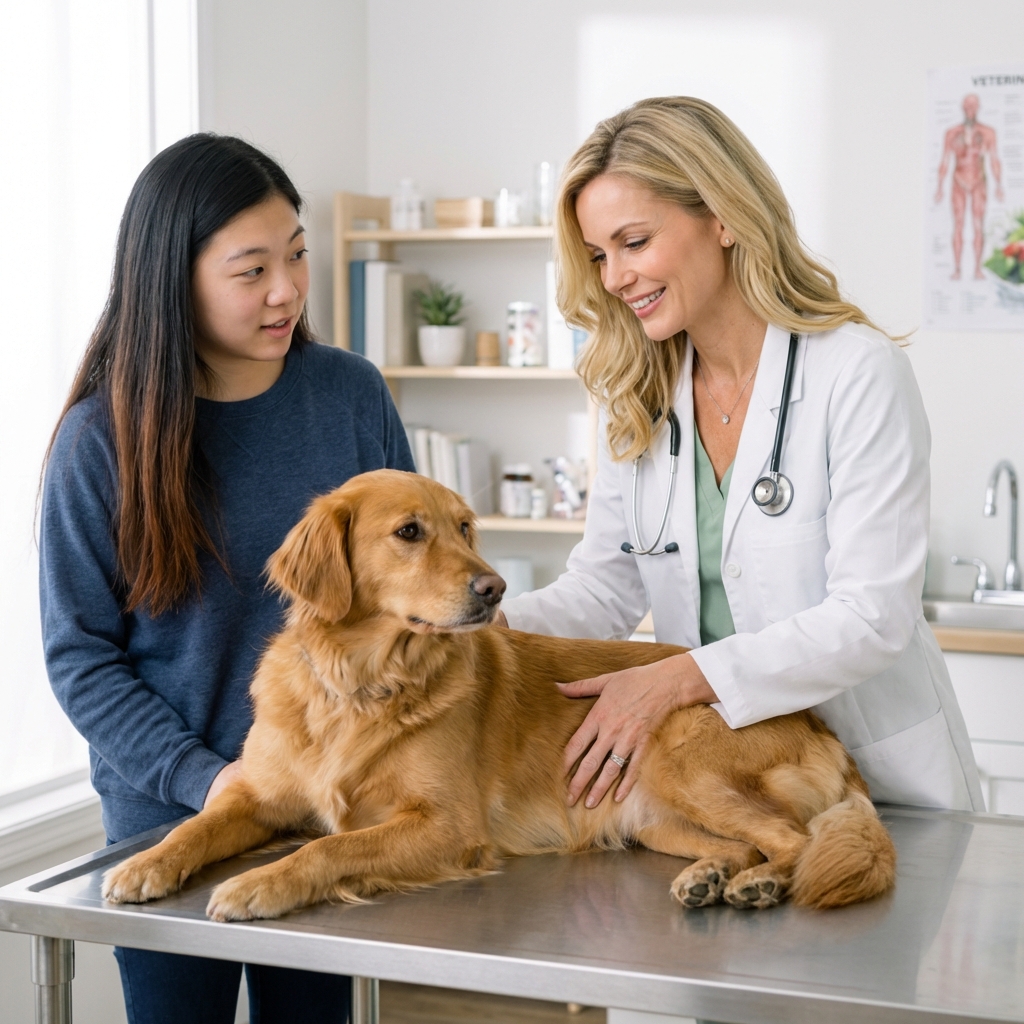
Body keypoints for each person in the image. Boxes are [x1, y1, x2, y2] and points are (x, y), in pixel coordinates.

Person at [499, 96, 983, 816]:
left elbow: (873, 614)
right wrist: (479, 627)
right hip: (726, 780)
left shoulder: (856, 372)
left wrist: (679, 678)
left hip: (882, 784)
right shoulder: (637, 394)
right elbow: (602, 593)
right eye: (599, 256)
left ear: (722, 216)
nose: (612, 278)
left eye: (634, 243)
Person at [39, 134, 414, 1024]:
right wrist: (212, 783)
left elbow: (414, 578)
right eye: (252, 270)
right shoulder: (102, 444)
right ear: (174, 280)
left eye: (295, 254)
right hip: (170, 813)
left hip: (333, 808)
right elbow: (81, 656)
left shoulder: (349, 394)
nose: (286, 288)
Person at [935, 93, 1003, 281]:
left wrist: (998, 184)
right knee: (958, 224)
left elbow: (994, 159)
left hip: (979, 181)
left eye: (973, 106)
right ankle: (957, 268)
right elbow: (945, 161)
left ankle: (977, 269)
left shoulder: (988, 133)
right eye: (967, 106)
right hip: (958, 180)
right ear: (963, 108)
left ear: (978, 107)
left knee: (978, 225)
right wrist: (939, 186)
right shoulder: (952, 133)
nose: (970, 110)